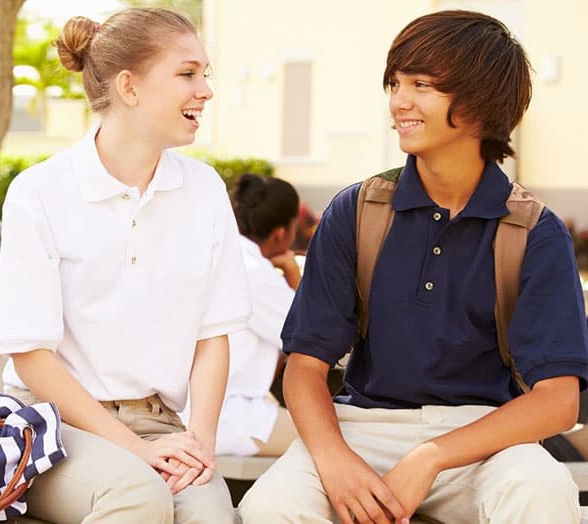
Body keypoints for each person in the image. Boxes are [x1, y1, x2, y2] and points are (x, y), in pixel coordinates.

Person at [239, 10, 588, 524]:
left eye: (422, 85)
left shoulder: (535, 231)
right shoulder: (355, 212)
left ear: (480, 103)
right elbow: (306, 367)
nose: (400, 101)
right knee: (272, 508)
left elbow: (559, 400)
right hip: (362, 427)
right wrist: (335, 460)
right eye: (396, 83)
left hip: (484, 439)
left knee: (543, 492)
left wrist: (431, 456)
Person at [0, 8, 250, 524]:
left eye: (205, 74)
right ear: (129, 87)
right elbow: (30, 355)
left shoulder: (204, 191)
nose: (205, 90)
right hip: (53, 424)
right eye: (187, 73)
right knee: (137, 497)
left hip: (162, 421)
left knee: (209, 517)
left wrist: (200, 442)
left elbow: (213, 334)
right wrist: (134, 448)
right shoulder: (39, 193)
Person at [182, 174, 300, 457]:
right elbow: (310, 336)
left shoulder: (207, 255)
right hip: (227, 416)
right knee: (333, 440)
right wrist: (295, 277)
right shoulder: (256, 275)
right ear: (281, 233)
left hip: (186, 410)